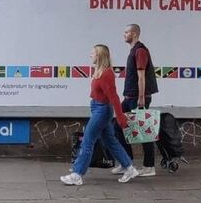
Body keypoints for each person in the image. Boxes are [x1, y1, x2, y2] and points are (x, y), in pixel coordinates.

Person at [60, 44, 139, 186]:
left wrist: (120, 117)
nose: (91, 55)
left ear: (100, 56)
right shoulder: (99, 71)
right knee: (110, 141)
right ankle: (129, 167)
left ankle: (77, 174)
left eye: (93, 53)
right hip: (98, 108)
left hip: (102, 111)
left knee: (87, 141)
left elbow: (113, 97)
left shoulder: (107, 74)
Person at [113, 24, 159, 177]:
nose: (124, 34)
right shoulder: (134, 51)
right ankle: (127, 162)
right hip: (130, 97)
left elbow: (141, 76)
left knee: (144, 131)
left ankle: (149, 166)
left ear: (133, 33)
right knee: (118, 125)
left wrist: (141, 97)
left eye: (126, 32)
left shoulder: (140, 51)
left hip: (138, 98)